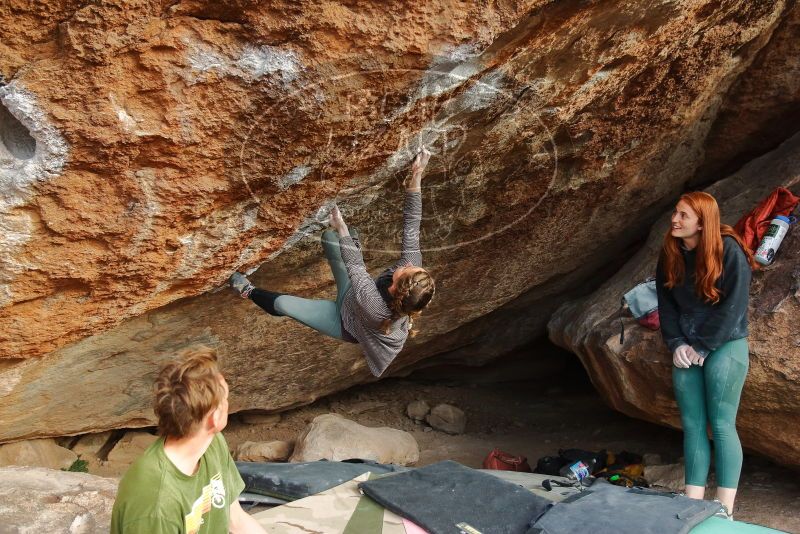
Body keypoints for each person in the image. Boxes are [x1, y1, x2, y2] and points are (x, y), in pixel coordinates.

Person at [229, 147, 436, 377]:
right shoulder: (412, 272)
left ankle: (248, 291)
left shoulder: (375, 309)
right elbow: (411, 227)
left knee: (284, 305)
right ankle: (348, 238)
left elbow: (357, 269)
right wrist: (417, 174)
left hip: (345, 322)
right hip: (352, 293)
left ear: (396, 287)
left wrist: (343, 227)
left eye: (405, 270)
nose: (405, 264)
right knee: (330, 238)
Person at [656, 191, 756, 520]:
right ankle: (692, 505)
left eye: (683, 215)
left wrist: (703, 346)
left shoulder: (728, 249)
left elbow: (734, 307)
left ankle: (724, 510)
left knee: (722, 424)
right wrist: (676, 343)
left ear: (702, 222)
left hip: (725, 343)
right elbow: (667, 304)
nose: (675, 219)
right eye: (676, 212)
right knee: (693, 424)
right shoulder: (670, 251)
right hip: (685, 345)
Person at [110, 346, 266, 534]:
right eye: (225, 399)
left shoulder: (213, 443)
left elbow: (236, 520)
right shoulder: (156, 504)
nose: (228, 403)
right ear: (214, 418)